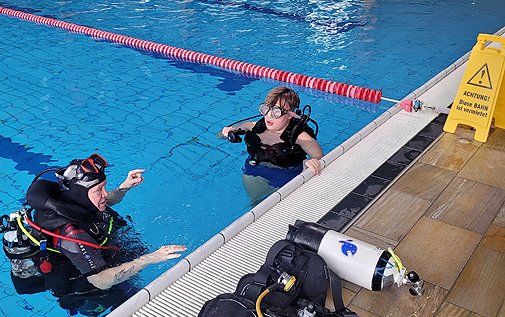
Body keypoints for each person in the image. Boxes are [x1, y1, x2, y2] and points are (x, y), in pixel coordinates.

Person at [17, 154, 186, 302]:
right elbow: (100, 281)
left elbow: (103, 202)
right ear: (80, 195)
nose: (105, 193)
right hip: (89, 287)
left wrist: (124, 187)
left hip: (100, 254)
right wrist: (151, 258)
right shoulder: (73, 235)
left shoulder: (73, 203)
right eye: (99, 190)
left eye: (104, 187)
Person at [220, 87, 323, 204]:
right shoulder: (250, 126)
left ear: (290, 115)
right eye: (266, 109)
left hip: (287, 175)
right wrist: (226, 132)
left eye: (276, 111)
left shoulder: (302, 139)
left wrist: (309, 162)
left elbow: (323, 160)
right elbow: (220, 135)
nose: (269, 115)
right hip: (254, 171)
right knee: (256, 206)